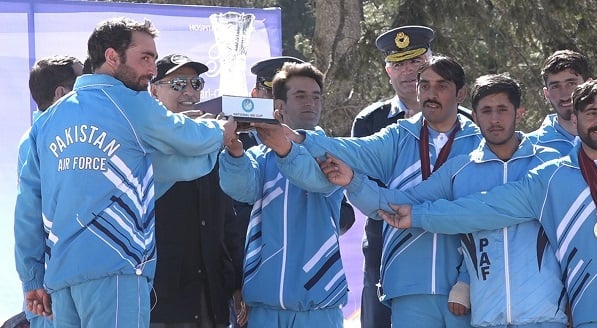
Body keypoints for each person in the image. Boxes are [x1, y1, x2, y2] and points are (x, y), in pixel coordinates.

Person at [14, 17, 234, 326]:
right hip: (116, 269)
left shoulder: (48, 121)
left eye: (154, 59)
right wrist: (220, 131)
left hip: (61, 280)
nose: (152, 69)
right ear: (112, 57)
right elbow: (185, 137)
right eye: (145, 57)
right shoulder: (131, 103)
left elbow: (26, 211)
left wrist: (32, 277)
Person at [325, 73, 568, 327]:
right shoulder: (460, 169)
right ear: (475, 117)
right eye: (486, 111)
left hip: (545, 316)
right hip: (487, 317)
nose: (494, 119)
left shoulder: (551, 164)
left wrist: (420, 217)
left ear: (519, 113)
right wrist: (353, 181)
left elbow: (478, 213)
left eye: (502, 110)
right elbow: (405, 200)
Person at [379, 79, 597, 327]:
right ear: (575, 119)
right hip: (590, 318)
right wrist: (418, 215)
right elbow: (483, 209)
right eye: (592, 113)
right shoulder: (551, 177)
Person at [260, 55, 481, 327]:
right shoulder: (398, 137)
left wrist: (468, 281)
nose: (431, 94)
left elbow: (484, 222)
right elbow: (351, 150)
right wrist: (301, 138)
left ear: (460, 93)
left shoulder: (479, 144)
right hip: (407, 286)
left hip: (467, 289)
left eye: (442, 86)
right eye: (424, 86)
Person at [219, 62, 348, 328]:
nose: (310, 103)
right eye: (300, 96)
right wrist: (234, 151)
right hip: (264, 306)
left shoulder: (333, 150)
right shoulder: (258, 157)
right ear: (278, 106)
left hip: (317, 305)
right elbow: (242, 190)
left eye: (315, 96)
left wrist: (284, 147)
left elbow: (314, 179)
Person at [148, 54, 243, 328]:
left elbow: (227, 220)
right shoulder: (142, 141)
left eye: (196, 83)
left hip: (210, 294)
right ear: (154, 90)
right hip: (160, 297)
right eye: (178, 83)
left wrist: (236, 281)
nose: (189, 91)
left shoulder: (212, 138)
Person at [351, 26, 434, 328]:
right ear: (388, 71)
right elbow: (362, 189)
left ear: (431, 63)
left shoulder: (462, 120)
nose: (408, 71)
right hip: (384, 248)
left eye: (416, 62)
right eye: (399, 64)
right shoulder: (369, 121)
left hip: (445, 248)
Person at [15, 55, 83, 328]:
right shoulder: (37, 139)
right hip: (51, 289)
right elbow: (27, 215)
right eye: (83, 83)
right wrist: (33, 279)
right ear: (61, 94)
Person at [526, 50, 591, 154]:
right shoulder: (528, 148)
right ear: (546, 94)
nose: (565, 95)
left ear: (589, 86)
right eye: (555, 86)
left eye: (571, 84)